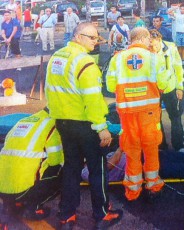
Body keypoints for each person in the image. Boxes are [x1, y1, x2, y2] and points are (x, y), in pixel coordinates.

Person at [45, 22, 122, 229]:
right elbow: (93, 100)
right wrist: (101, 127)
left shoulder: (57, 57)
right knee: (98, 169)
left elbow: (49, 90)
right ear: (78, 36)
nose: (95, 42)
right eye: (92, 38)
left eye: (97, 38)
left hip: (63, 122)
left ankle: (67, 215)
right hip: (86, 125)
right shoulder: (85, 63)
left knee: (71, 168)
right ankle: (102, 214)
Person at [106, 27, 170, 201]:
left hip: (127, 113)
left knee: (132, 150)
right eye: (149, 39)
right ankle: (153, 186)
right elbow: (165, 84)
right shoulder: (154, 57)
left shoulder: (117, 59)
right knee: (150, 148)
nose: (150, 42)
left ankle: (133, 191)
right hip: (148, 112)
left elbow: (110, 87)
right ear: (143, 38)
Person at [0, 109, 63, 226]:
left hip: (2, 189)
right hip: (23, 191)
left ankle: (11, 204)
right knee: (65, 171)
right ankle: (34, 207)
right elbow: (57, 161)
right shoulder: (53, 125)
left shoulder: (25, 120)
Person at [82, 148, 184, 182]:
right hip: (139, 168)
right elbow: (108, 167)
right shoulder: (85, 172)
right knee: (176, 168)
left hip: (141, 155)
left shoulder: (98, 156)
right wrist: (120, 150)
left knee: (179, 156)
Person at [149, 29, 184, 152]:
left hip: (170, 88)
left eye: (154, 45)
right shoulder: (146, 51)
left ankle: (179, 146)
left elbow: (178, 67)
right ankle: (161, 145)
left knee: (175, 117)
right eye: (150, 46)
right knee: (155, 119)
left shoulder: (171, 48)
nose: (153, 48)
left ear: (159, 40)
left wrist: (180, 87)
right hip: (154, 91)